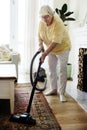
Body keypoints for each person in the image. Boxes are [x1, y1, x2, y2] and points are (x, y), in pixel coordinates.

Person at [38, 5, 71, 102]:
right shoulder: (42, 22)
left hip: (63, 48)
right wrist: (40, 45)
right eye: (42, 17)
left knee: (62, 70)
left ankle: (62, 93)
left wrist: (44, 54)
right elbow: (39, 35)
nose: (45, 19)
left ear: (51, 14)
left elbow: (55, 42)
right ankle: (53, 89)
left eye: (46, 17)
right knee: (51, 68)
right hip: (51, 49)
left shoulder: (58, 23)